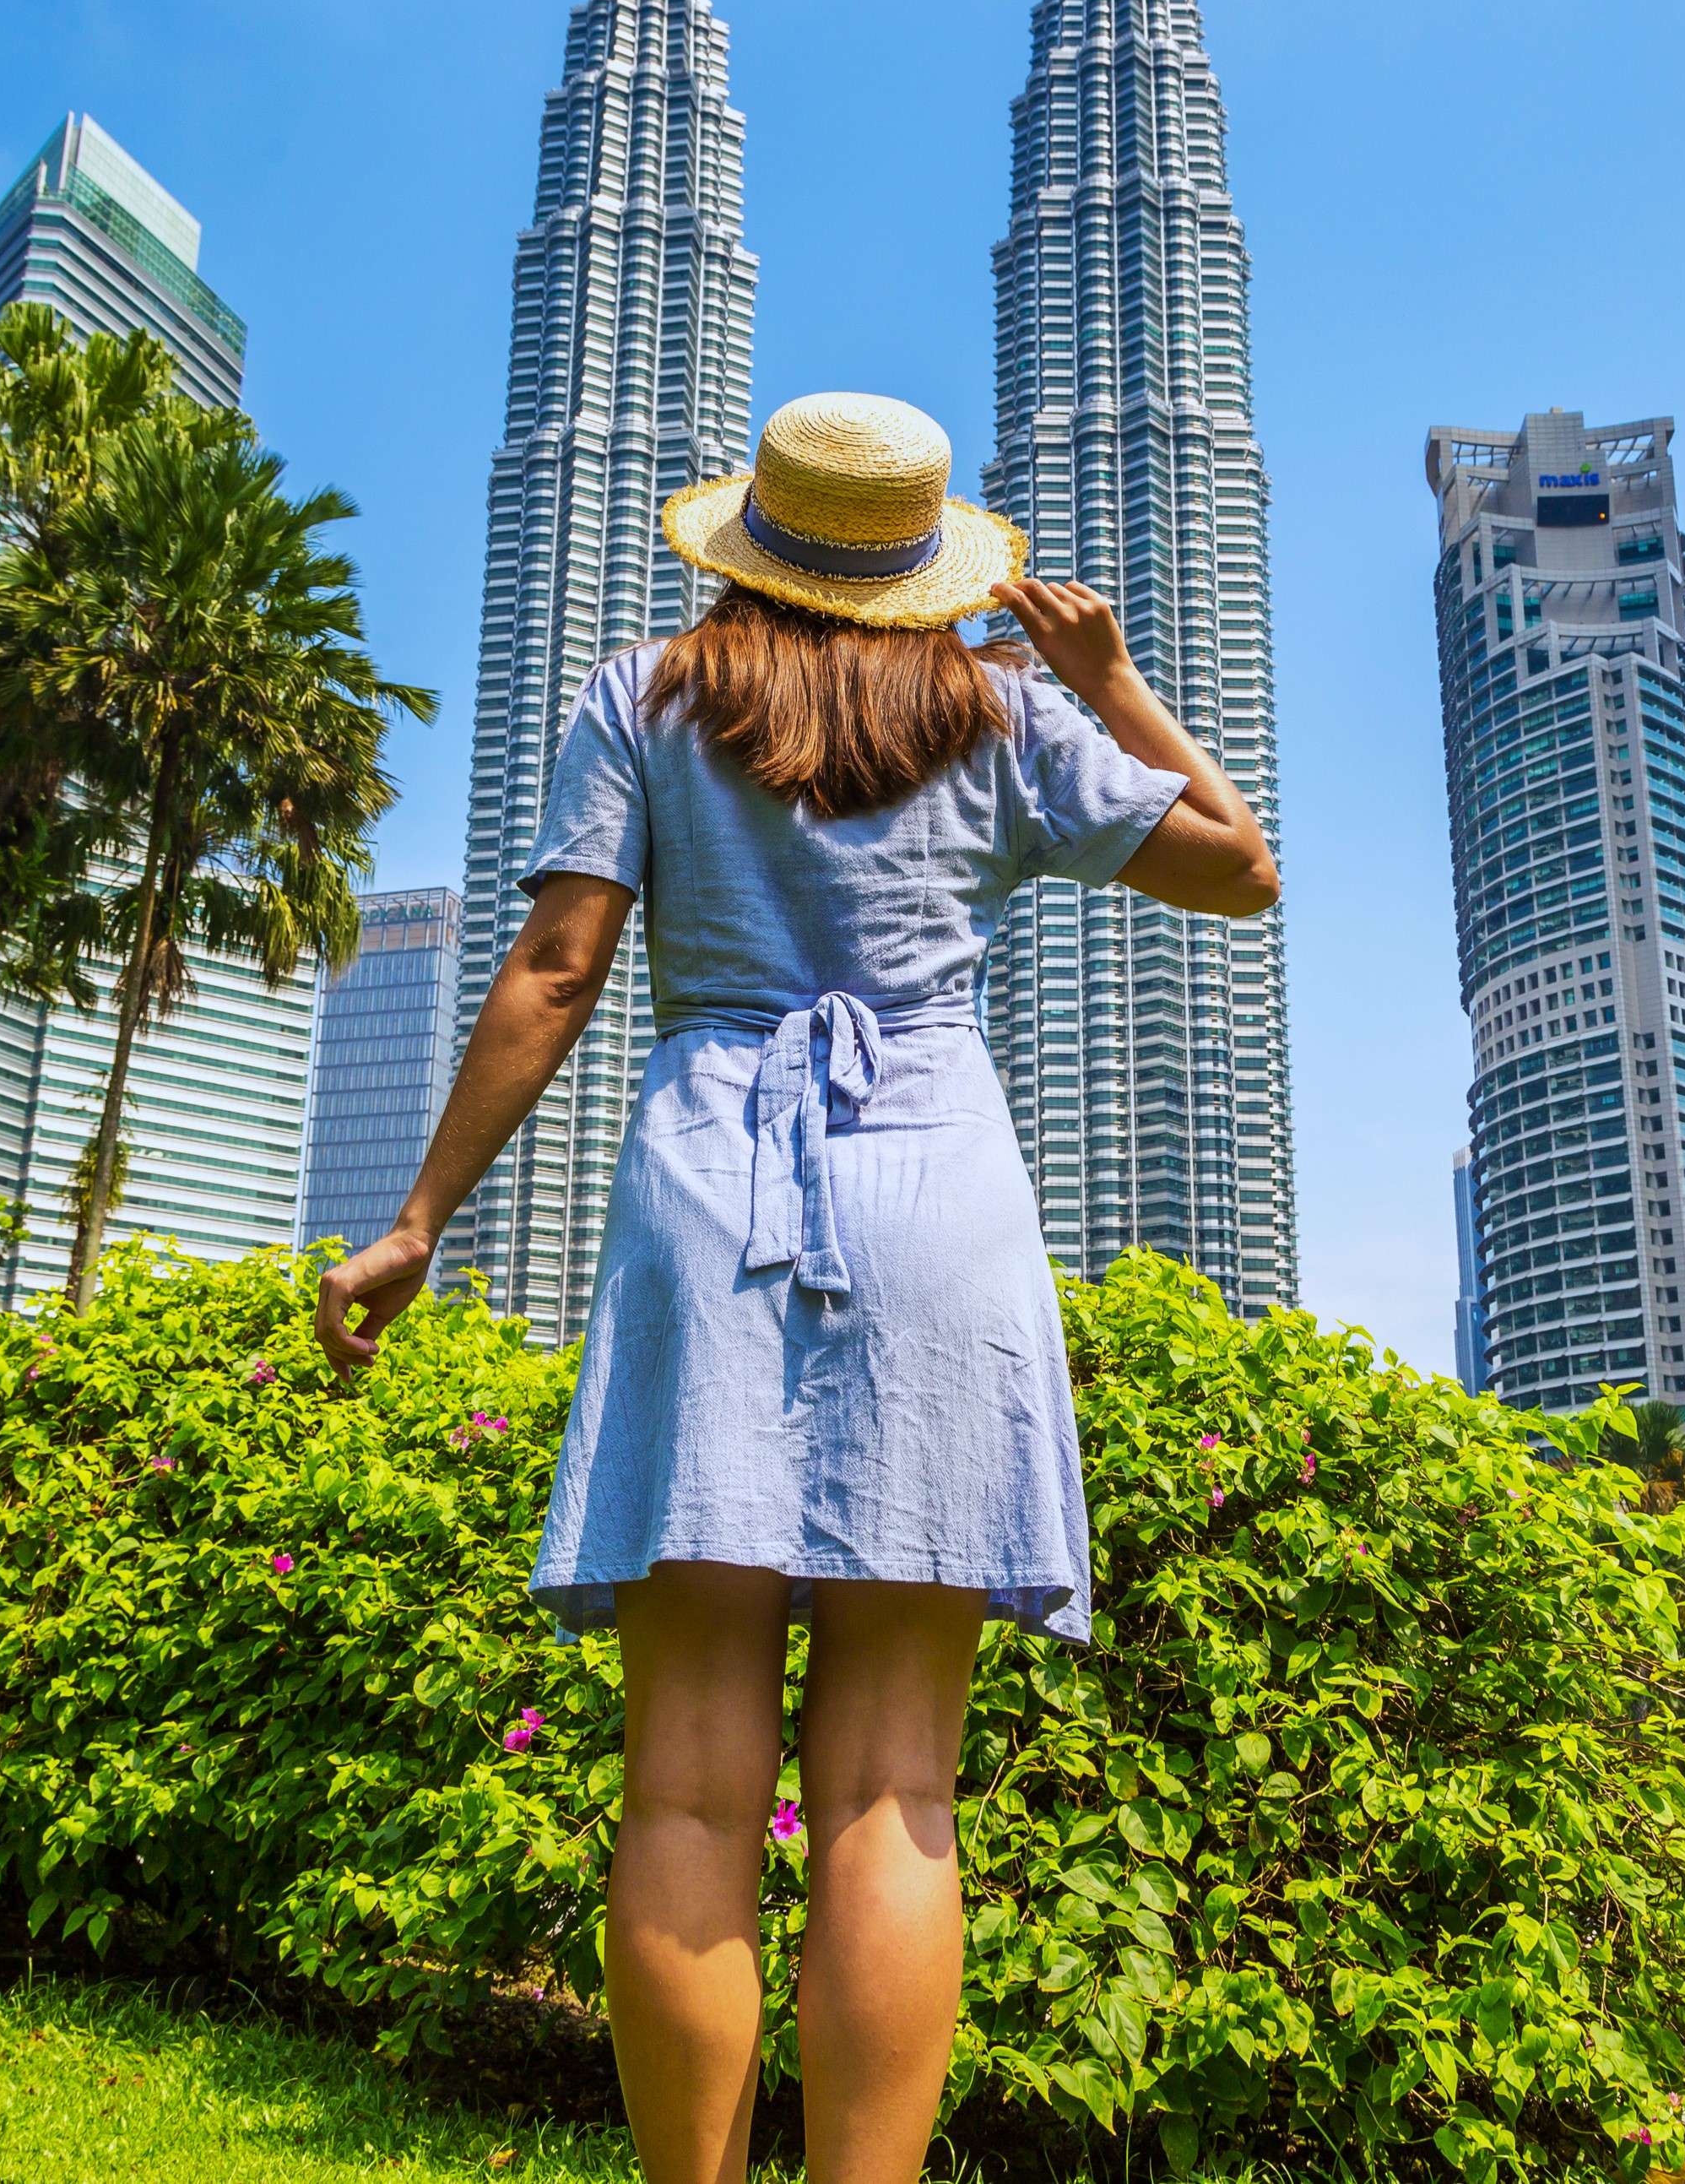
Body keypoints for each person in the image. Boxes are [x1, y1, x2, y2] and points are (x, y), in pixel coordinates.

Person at [316, 391, 1278, 2184]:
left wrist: (422, 1216)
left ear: (754, 537)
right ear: (926, 561)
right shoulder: (999, 710)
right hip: (941, 1209)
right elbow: (1243, 867)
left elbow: (550, 964)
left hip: (711, 1185)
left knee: (685, 1779)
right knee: (897, 1786)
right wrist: (1118, 680)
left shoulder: (648, 693)